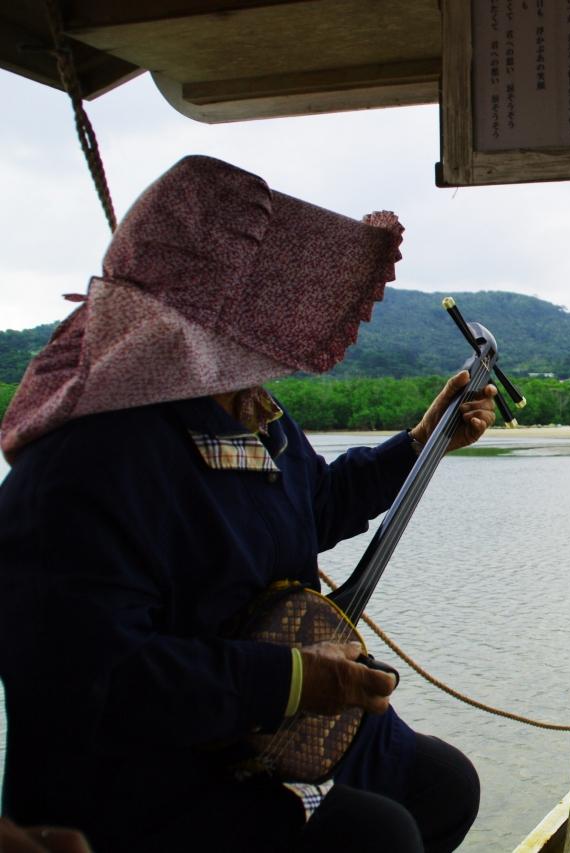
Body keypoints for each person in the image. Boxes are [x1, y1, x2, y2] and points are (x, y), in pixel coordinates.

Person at [0, 156, 494, 853]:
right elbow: (107, 682)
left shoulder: (251, 416)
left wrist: (421, 443)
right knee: (376, 836)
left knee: (444, 784)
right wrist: (295, 679)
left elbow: (317, 503)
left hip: (264, 725)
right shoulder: (83, 467)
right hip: (151, 779)